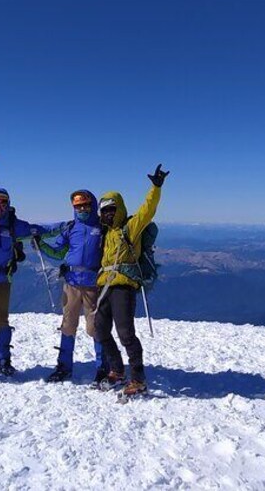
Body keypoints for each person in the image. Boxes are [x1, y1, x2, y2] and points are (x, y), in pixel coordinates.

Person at [95, 164, 169, 396]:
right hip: (104, 286)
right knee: (100, 330)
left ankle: (138, 379)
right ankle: (117, 370)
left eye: (111, 209)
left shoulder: (130, 227)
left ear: (119, 209)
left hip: (124, 287)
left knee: (125, 333)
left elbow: (147, 211)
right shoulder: (105, 232)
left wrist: (155, 188)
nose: (108, 214)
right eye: (104, 211)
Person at [0, 186, 55, 378]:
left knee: (1, 321)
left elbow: (40, 229)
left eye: (3, 201)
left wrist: (66, 226)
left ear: (8, 204)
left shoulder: (14, 226)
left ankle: (4, 361)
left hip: (1, 280)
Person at [36, 190, 107, 383]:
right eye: (78, 206)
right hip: (72, 283)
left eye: (85, 205)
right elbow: (58, 253)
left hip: (94, 284)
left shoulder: (102, 227)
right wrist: (41, 245)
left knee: (95, 327)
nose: (82, 209)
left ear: (92, 205)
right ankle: (64, 367)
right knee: (68, 325)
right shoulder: (71, 228)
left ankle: (103, 368)